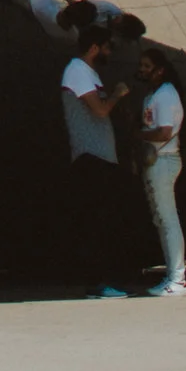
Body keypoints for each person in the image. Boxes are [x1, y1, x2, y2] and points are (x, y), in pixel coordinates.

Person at [59, 18, 135, 298]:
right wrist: (117, 94)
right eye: (106, 48)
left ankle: (105, 280)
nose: (109, 53)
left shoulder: (88, 73)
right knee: (97, 223)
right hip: (90, 158)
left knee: (106, 220)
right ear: (93, 48)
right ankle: (98, 283)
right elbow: (99, 110)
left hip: (102, 157)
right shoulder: (77, 71)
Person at [133, 46, 186, 303]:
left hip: (164, 160)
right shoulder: (153, 94)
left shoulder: (166, 94)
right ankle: (172, 275)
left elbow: (164, 132)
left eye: (147, 66)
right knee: (161, 219)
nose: (142, 70)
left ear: (160, 70)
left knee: (168, 220)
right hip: (155, 161)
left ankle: (178, 278)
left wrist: (138, 135)